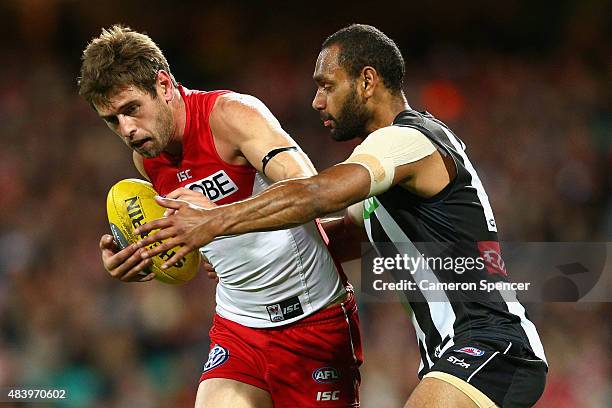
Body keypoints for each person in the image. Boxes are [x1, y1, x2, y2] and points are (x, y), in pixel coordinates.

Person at [136, 24, 548, 408]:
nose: (317, 101)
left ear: (367, 81)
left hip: (492, 345)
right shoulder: (387, 163)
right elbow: (345, 237)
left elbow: (317, 195)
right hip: (452, 352)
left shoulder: (408, 141)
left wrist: (213, 221)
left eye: (327, 86)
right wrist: (247, 249)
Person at [78, 25, 362, 408]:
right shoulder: (146, 158)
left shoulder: (232, 115)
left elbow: (313, 192)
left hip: (311, 322)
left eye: (131, 110)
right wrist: (141, 255)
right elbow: (200, 245)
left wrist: (216, 220)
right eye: (112, 120)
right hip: (238, 327)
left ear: (163, 85)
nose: (127, 129)